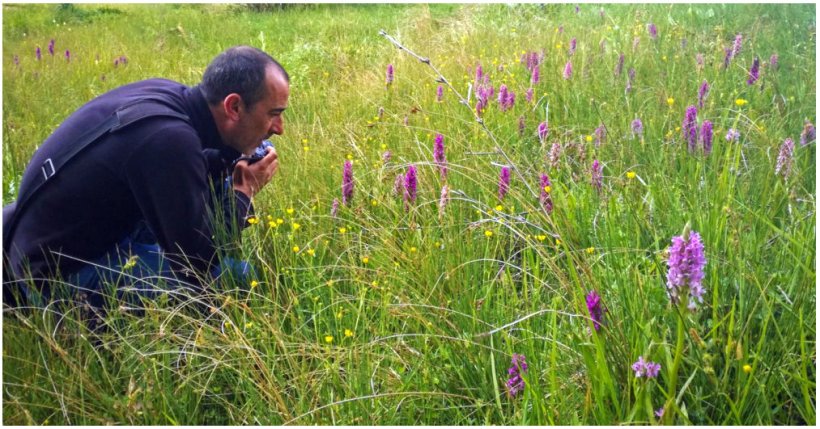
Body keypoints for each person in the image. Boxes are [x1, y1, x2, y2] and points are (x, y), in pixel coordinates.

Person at [3, 45, 288, 308]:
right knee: (243, 280)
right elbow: (196, 262)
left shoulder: (166, 97)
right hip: (55, 277)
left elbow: (174, 174)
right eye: (274, 114)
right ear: (234, 107)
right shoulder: (169, 139)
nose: (279, 128)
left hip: (40, 240)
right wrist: (243, 193)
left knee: (214, 193)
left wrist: (228, 161)